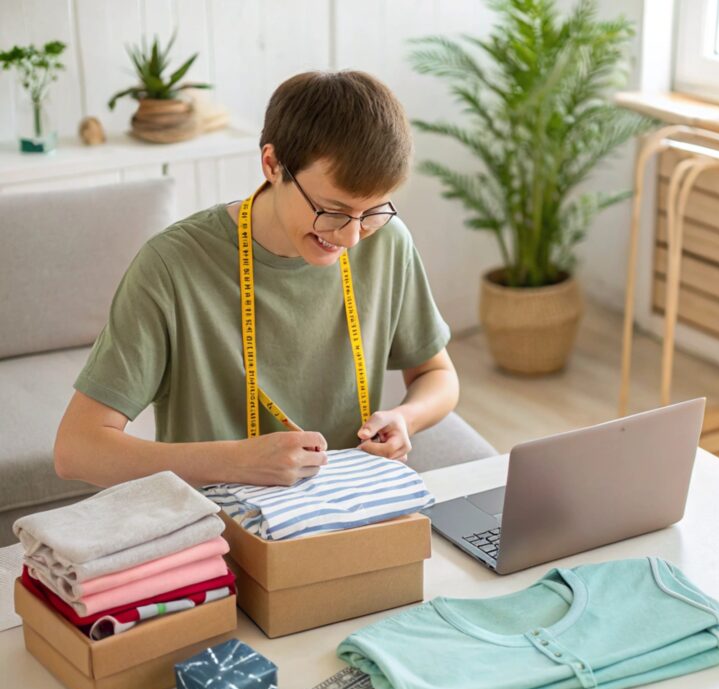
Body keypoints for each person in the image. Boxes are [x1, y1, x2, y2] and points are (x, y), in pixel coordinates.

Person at [54, 70, 459, 489]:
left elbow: (438, 375)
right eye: (332, 210)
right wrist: (237, 462)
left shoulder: (387, 241)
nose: (352, 237)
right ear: (272, 165)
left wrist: (404, 418)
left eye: (372, 212)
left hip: (349, 508)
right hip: (216, 526)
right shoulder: (172, 266)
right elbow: (77, 450)